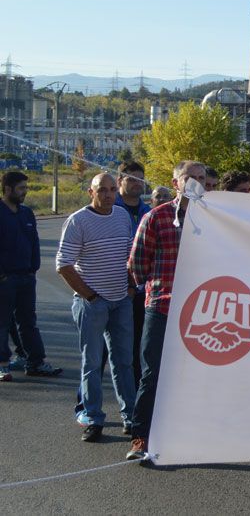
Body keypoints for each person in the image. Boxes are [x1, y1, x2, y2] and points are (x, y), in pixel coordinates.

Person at [125, 160, 206, 461]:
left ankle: (185, 436)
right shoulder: (157, 217)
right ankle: (140, 437)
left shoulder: (216, 220)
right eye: (190, 178)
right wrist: (155, 287)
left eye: (202, 178)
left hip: (200, 314)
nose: (197, 183)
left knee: (194, 377)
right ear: (176, 184)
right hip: (162, 307)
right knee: (152, 375)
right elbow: (137, 264)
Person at [57, 173, 136, 442]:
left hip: (120, 301)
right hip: (92, 304)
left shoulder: (122, 216)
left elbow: (128, 254)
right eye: (102, 190)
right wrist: (90, 296)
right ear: (91, 192)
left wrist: (130, 287)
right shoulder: (78, 221)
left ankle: (131, 416)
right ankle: (92, 416)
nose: (108, 195)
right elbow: (63, 264)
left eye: (113, 189)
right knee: (92, 362)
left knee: (124, 362)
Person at [0, 171, 61, 381]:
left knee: (28, 321)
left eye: (26, 188)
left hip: (26, 277)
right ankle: (2, 364)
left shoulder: (26, 213)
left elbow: (34, 242)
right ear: (7, 189)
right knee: (2, 322)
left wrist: (33, 268)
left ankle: (35, 361)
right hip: (5, 279)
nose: (25, 192)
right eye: (21, 188)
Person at [117, 162, 150, 386]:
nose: (137, 183)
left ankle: (135, 402)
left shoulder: (149, 212)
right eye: (131, 178)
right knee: (100, 354)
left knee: (139, 347)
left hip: (141, 292)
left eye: (141, 178)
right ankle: (87, 406)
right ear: (120, 181)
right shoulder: (108, 208)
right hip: (113, 291)